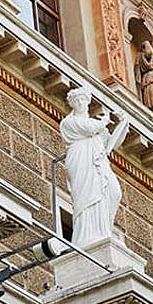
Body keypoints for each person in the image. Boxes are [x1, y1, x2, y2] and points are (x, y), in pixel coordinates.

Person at [60, 83, 131, 251]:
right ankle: (88, 236)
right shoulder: (69, 122)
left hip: (98, 162)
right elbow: (90, 129)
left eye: (83, 100)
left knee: (113, 192)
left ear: (88, 101)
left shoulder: (95, 123)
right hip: (82, 160)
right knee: (88, 196)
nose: (80, 103)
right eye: (76, 100)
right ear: (72, 104)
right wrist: (105, 120)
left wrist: (123, 123)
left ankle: (104, 230)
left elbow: (112, 142)